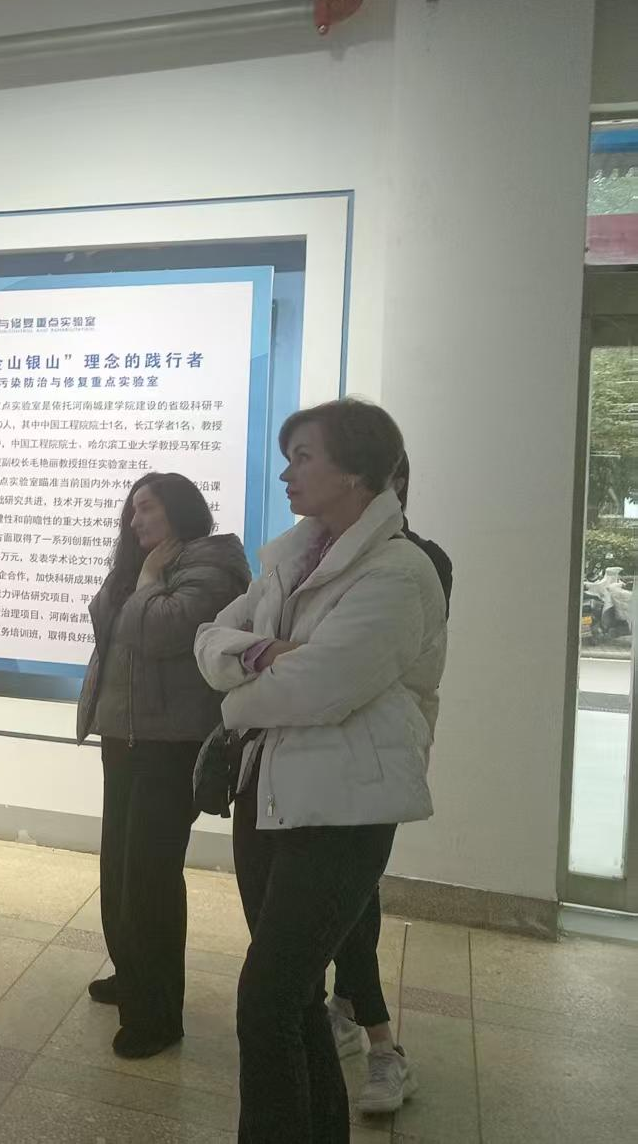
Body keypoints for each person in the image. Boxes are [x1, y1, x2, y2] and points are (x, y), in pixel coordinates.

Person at [195, 399, 447, 1143]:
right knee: (297, 996)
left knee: (266, 999)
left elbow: (319, 688)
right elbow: (209, 639)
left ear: (357, 470)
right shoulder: (288, 560)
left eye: (302, 457)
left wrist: (241, 695)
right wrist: (265, 653)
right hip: (266, 794)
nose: (286, 473)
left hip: (344, 811)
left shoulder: (399, 571)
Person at [77, 473, 250, 1060]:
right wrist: (136, 574)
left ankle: (156, 1016)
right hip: (125, 737)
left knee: (150, 878)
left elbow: (160, 630)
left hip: (170, 743)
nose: (135, 521)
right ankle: (132, 974)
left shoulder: (213, 565)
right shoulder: (143, 565)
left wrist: (148, 581)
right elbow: (106, 620)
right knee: (120, 868)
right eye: (131, 512)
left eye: (146, 509)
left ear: (179, 509)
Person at [327, 450, 453, 1115]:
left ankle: (382, 1045)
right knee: (342, 899)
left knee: (352, 898)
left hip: (375, 760)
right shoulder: (316, 556)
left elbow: (355, 666)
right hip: (312, 758)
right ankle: (346, 1013)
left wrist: (293, 663)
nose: (293, 477)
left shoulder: (418, 561)